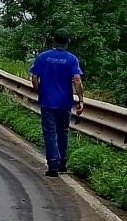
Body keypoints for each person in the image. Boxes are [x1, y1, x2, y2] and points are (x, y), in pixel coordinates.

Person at [29, 29, 85, 177]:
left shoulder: (43, 57)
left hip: (47, 101)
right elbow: (77, 80)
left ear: (53, 40)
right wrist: (81, 100)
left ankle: (53, 165)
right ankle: (63, 163)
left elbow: (35, 78)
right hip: (65, 102)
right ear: (68, 41)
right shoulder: (72, 59)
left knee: (49, 133)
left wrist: (40, 92)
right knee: (63, 132)